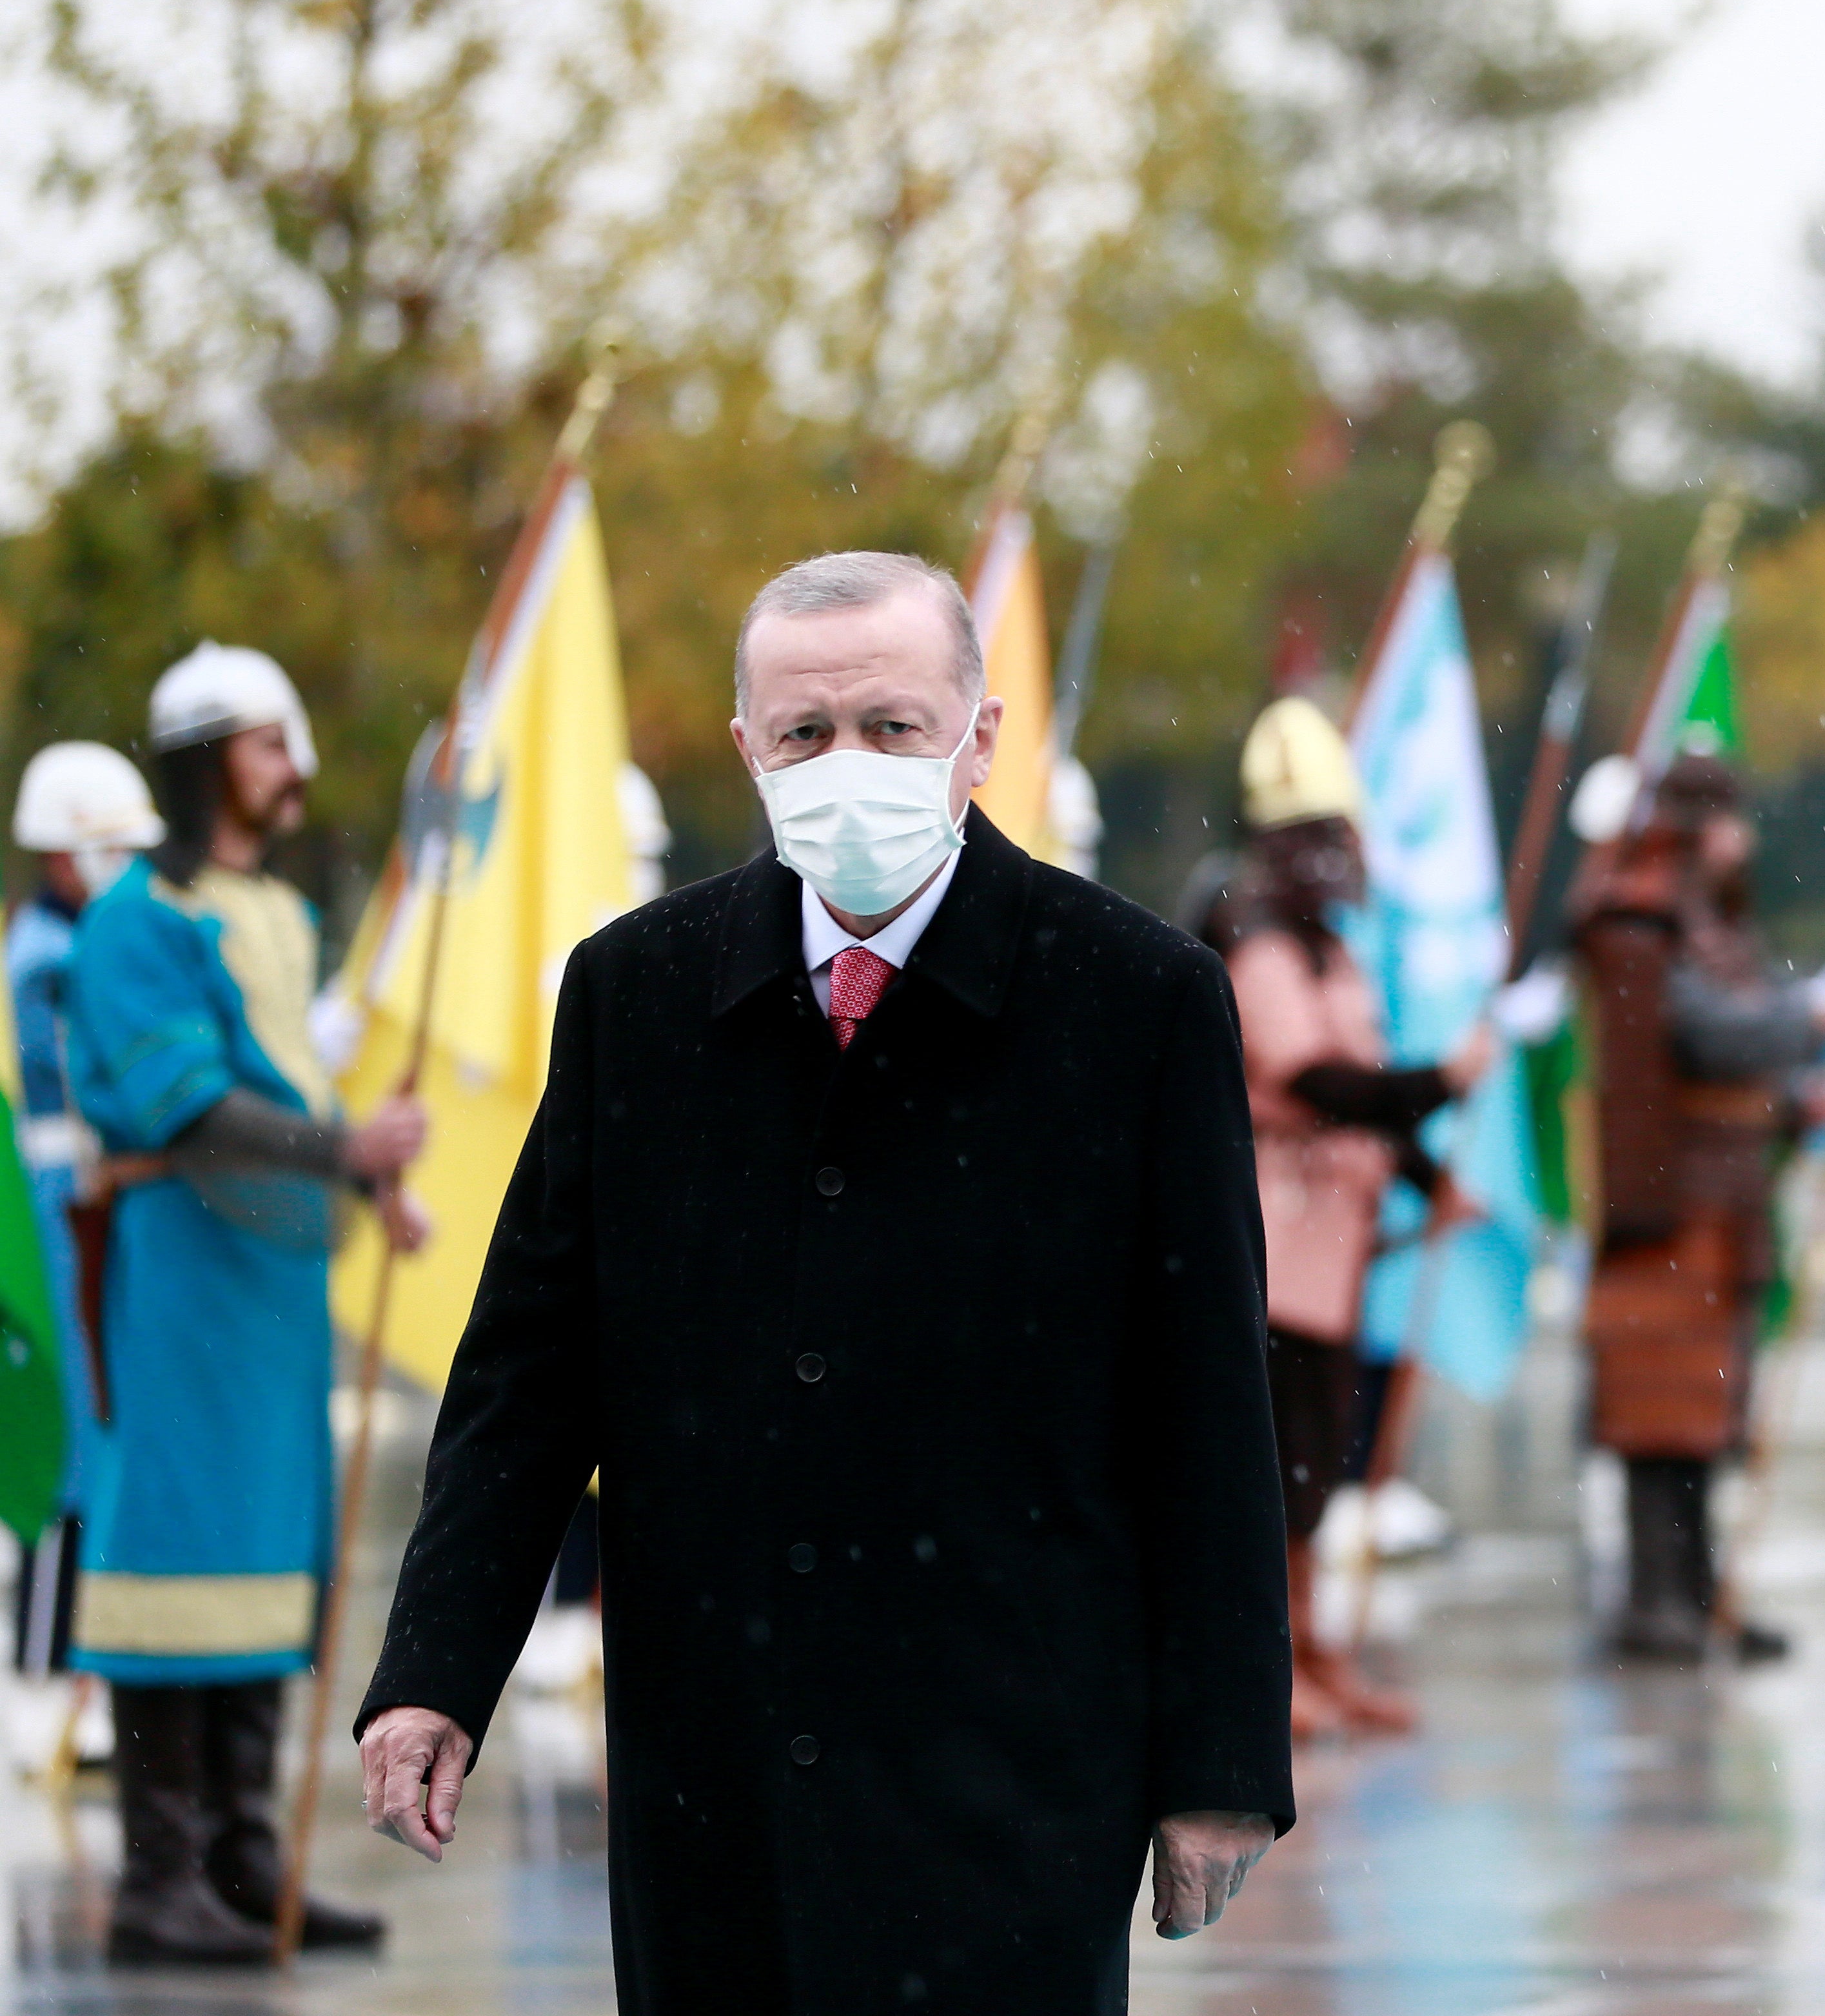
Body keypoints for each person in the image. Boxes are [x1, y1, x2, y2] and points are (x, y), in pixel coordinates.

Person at [354, 551, 1290, 2012]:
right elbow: (527, 1375)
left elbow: (1213, 1412)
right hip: (713, 1771)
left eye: (892, 724)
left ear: (979, 736)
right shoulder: (636, 993)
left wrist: (1221, 1762)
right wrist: (433, 1668)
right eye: (805, 731)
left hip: (1015, 1765)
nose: (846, 762)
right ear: (748, 747)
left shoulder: (1138, 1000)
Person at [59, 650, 426, 1962]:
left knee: (267, 1561)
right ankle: (161, 1881)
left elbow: (284, 1092)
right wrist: (346, 1156)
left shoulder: (269, 910)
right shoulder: (138, 918)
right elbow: (189, 1102)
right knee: (176, 1560)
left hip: (270, 1282)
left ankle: (245, 1866)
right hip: (177, 1278)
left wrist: (369, 1186)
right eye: (273, 746)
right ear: (211, 756)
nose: (296, 770)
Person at [1573, 751, 1825, 1661]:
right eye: (1725, 820)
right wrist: (1824, 1011)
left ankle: (1699, 1595)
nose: (1740, 840)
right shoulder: (1638, 922)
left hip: (1716, 1208)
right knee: (1658, 1421)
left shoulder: (1695, 922)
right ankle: (1656, 1603)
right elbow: (1710, 1038)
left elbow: (1732, 1054)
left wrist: (1793, 1104)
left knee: (1704, 1416)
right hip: (1664, 1210)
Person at [1212, 695, 1488, 1741]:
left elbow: (1362, 1083)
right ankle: (1271, 1669)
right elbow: (1315, 1079)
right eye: (1312, 838)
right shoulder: (1257, 942)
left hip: (1333, 1248)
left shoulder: (1330, 947)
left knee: (1317, 1463)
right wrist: (1441, 1084)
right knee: (1276, 1467)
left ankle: (1317, 1651)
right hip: (1273, 1241)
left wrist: (1426, 1178)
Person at [9, 743, 164, 1683]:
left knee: (100, 1446)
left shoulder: (70, 945)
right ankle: (42, 1672)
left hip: (83, 1209)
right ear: (63, 855)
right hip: (58, 1215)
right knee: (73, 1454)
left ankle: (73, 1665)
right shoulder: (53, 961)